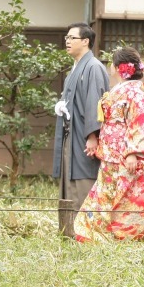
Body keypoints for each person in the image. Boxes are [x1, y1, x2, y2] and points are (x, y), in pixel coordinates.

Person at [74, 46, 144, 241]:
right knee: (106, 194)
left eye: (111, 65)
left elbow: (140, 123)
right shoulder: (119, 92)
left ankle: (131, 235)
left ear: (117, 68)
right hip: (110, 155)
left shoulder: (138, 95)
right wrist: (96, 139)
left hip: (127, 156)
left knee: (128, 197)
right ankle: (102, 235)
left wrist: (133, 153)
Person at [52, 22, 110, 211]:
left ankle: (83, 230)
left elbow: (96, 102)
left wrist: (93, 136)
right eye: (66, 38)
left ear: (85, 41)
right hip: (72, 134)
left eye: (72, 38)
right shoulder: (76, 68)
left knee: (83, 177)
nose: (67, 41)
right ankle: (69, 229)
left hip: (85, 137)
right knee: (70, 177)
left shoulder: (93, 67)